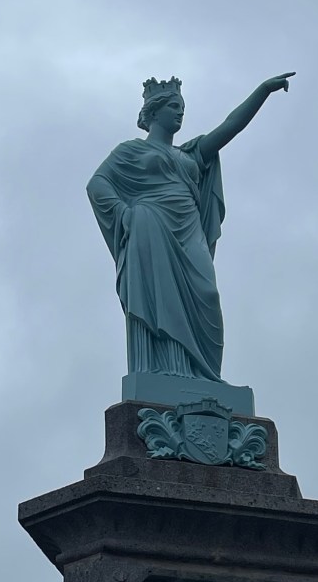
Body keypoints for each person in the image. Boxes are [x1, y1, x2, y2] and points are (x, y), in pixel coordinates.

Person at [87, 73, 295, 381]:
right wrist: (123, 212)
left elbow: (230, 126)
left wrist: (263, 91)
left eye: (182, 107)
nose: (180, 112)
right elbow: (97, 184)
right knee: (159, 299)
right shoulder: (129, 151)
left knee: (206, 295)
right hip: (151, 227)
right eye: (174, 106)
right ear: (154, 112)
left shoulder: (191, 153)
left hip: (190, 231)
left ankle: (203, 376)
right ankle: (162, 371)